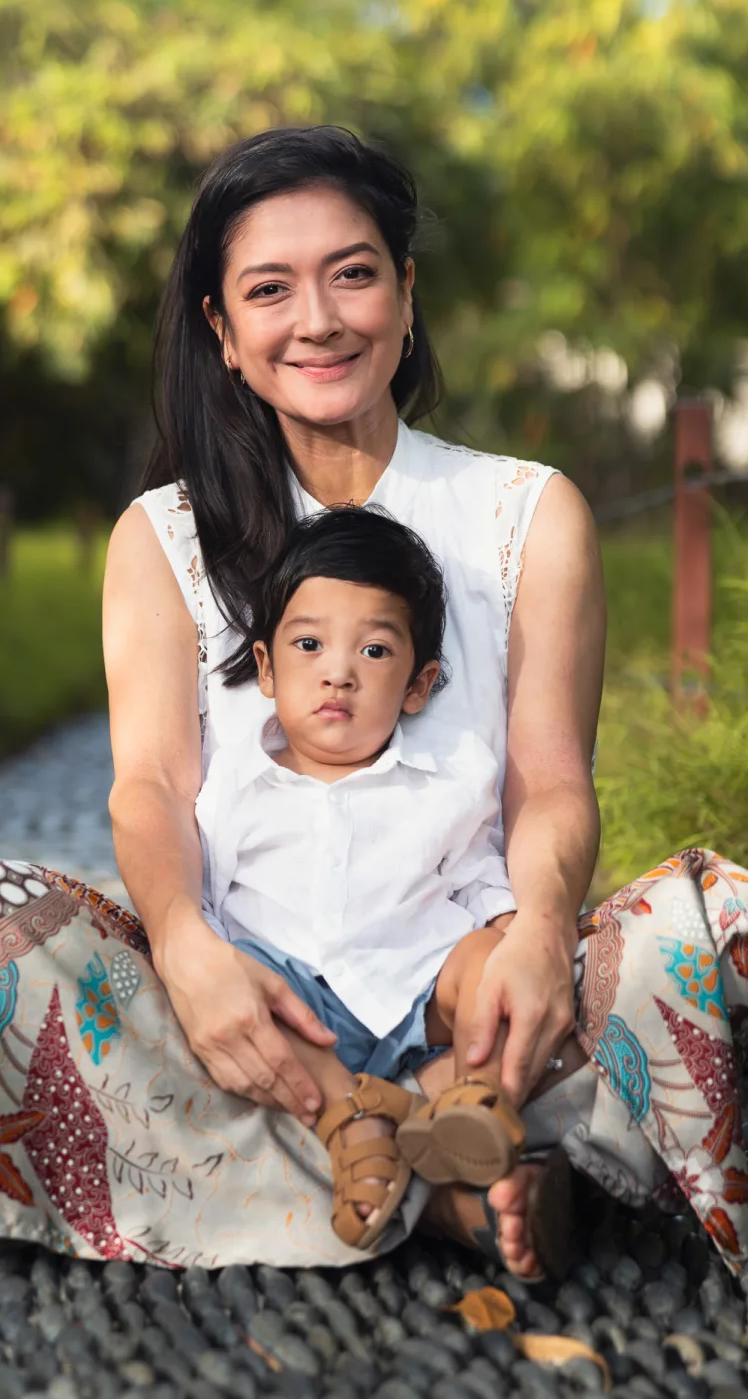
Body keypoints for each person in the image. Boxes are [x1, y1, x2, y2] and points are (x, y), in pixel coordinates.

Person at [0, 125, 748, 1278]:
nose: (318, 319)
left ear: (406, 292)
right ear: (223, 336)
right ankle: (451, 1188)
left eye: (353, 272)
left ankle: (338, 1163)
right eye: (270, 290)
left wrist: (536, 935)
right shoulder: (163, 539)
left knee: (732, 924)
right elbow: (150, 787)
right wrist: (183, 949)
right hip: (243, 1025)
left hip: (468, 1014)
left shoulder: (525, 514)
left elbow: (551, 783)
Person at [196, 504, 568, 1257]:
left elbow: (478, 883)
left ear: (417, 685)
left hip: (413, 994)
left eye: (372, 651)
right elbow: (202, 904)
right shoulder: (233, 789)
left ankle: (461, 1100)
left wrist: (510, 941)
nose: (337, 671)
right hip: (296, 1012)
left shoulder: (447, 781)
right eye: (308, 645)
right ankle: (356, 1118)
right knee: (241, 977)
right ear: (266, 668)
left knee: (493, 966)